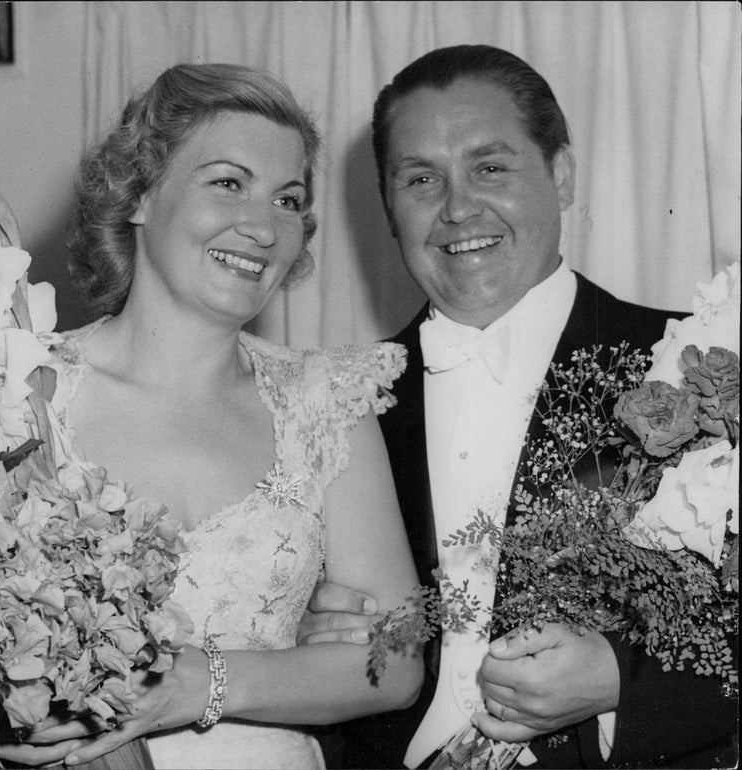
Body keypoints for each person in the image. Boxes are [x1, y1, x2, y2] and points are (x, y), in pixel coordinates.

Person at [0, 62, 424, 770]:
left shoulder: (327, 401)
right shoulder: (13, 381)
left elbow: (395, 662)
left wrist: (201, 683)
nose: (263, 226)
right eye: (228, 183)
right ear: (139, 194)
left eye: (289, 200)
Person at [299, 45, 738, 769]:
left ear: (560, 175)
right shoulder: (339, 399)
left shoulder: (700, 361)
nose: (457, 207)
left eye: (490, 167)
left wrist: (620, 678)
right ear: (387, 207)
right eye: (420, 179)